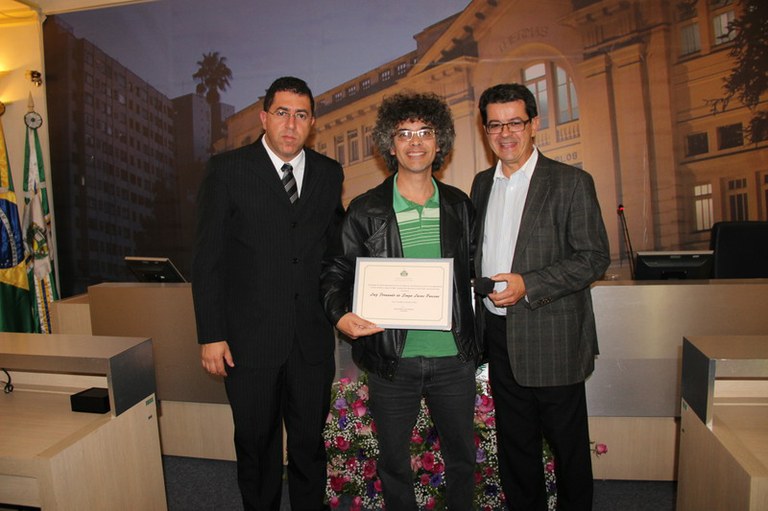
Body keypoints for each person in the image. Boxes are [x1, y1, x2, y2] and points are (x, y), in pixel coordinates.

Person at [321, 91, 481, 510]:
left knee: (462, 460)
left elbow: (474, 271)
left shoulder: (459, 205)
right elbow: (335, 271)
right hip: (392, 360)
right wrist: (340, 316)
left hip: (454, 359)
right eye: (404, 134)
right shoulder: (365, 209)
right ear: (390, 145)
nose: (415, 142)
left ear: (439, 141)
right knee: (393, 464)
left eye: (424, 132)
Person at [191, 76, 344, 511]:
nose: (290, 124)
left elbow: (335, 253)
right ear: (264, 117)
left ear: (311, 123)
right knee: (257, 448)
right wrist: (211, 334)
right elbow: (207, 259)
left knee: (309, 446)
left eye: (301, 115)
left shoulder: (328, 173)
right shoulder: (227, 170)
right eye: (282, 113)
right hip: (248, 343)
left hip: (310, 340)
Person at [470, 83, 610, 511]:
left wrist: (528, 284)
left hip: (554, 338)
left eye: (515, 122)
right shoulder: (481, 184)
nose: (505, 133)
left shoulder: (570, 182)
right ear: (485, 130)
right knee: (516, 449)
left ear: (534, 124)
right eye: (495, 125)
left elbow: (593, 258)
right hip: (499, 336)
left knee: (568, 450)